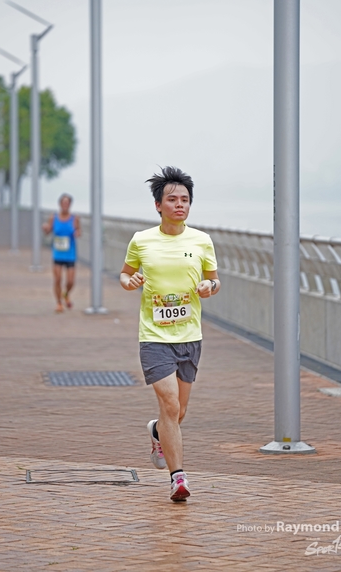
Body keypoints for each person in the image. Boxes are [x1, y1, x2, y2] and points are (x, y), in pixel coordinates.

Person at [120, 166, 220, 502]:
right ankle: (178, 479)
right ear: (158, 205)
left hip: (189, 335)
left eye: (185, 200)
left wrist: (209, 287)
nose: (180, 205)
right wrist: (130, 282)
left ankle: (157, 431)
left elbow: (214, 280)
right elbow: (125, 274)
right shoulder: (142, 240)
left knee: (177, 413)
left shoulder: (202, 241)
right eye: (173, 199)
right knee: (170, 402)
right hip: (154, 336)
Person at [42, 194, 81, 313]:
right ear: (60, 204)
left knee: (70, 281)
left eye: (67, 203)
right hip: (58, 253)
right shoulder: (53, 217)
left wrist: (77, 233)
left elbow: (78, 231)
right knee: (58, 279)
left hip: (70, 254)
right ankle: (59, 303)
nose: (65, 205)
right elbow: (48, 231)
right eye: (63, 203)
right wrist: (45, 228)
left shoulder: (74, 218)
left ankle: (66, 294)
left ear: (70, 205)